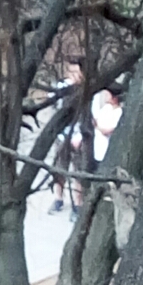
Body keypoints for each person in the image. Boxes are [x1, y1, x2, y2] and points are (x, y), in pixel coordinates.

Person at [49, 60, 84, 216]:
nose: (74, 75)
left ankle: (77, 204)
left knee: (78, 171)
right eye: (71, 72)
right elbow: (51, 102)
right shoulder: (61, 87)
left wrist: (80, 136)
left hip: (79, 136)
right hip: (62, 135)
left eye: (77, 72)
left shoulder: (86, 89)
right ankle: (58, 199)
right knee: (58, 168)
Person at [93, 86, 123, 163]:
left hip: (107, 144)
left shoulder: (119, 112)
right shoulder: (106, 108)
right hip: (97, 144)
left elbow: (110, 130)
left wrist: (99, 128)